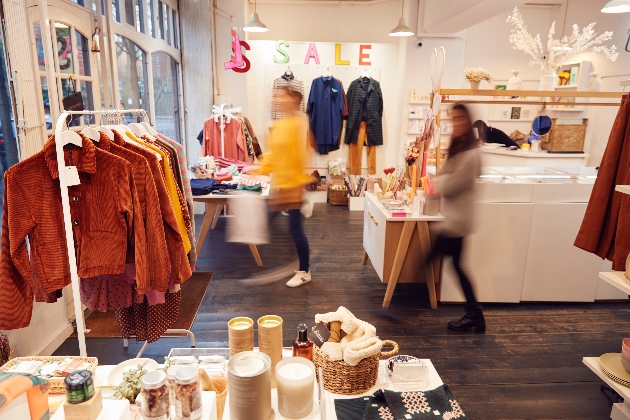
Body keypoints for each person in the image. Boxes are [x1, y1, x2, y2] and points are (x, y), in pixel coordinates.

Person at [426, 104, 484, 332]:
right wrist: (442, 180)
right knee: (453, 265)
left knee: (438, 260)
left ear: (468, 121)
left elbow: (447, 184)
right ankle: (475, 313)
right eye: (453, 119)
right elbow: (442, 177)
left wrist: (440, 181)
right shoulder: (460, 148)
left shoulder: (471, 154)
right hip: (453, 218)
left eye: (460, 119)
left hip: (458, 221)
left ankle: (475, 314)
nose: (456, 123)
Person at [257, 87, 312, 287]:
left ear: (293, 100)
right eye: (275, 95)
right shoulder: (277, 125)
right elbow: (273, 156)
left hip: (293, 185)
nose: (276, 99)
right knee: (266, 223)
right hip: (281, 185)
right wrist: (257, 170)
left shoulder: (300, 124)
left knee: (295, 230)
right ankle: (292, 264)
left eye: (281, 96)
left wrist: (296, 186)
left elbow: (302, 156)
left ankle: (304, 270)